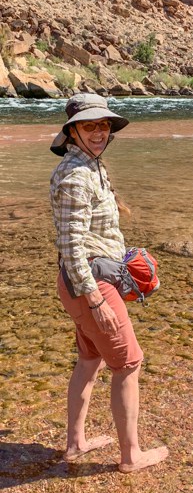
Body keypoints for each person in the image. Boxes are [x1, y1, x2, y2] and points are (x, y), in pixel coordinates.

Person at [50, 94, 168, 473]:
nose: (99, 132)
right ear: (72, 132)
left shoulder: (92, 166)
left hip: (84, 282)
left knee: (89, 360)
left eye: (103, 125)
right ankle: (131, 457)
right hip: (89, 285)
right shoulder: (75, 176)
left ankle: (75, 444)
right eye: (90, 125)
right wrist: (97, 301)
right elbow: (70, 246)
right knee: (129, 364)